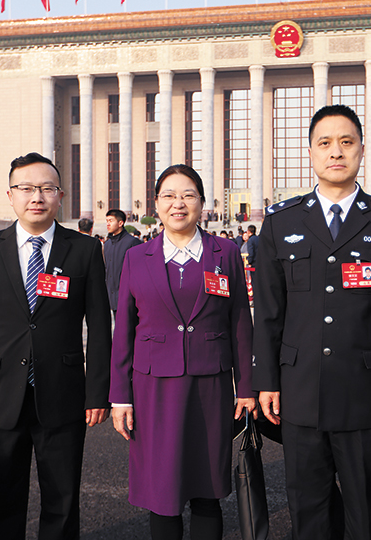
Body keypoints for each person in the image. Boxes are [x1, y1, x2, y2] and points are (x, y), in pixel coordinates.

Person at [253, 105, 371, 540]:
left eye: (346, 142)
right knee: (307, 508)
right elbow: (269, 313)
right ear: (309, 152)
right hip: (300, 390)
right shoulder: (280, 221)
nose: (336, 152)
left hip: (367, 392)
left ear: (361, 150)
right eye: (325, 143)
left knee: (366, 511)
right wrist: (266, 381)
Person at [0, 152, 111, 540]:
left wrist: (97, 394)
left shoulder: (84, 250)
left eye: (46, 188)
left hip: (64, 393)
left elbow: (101, 327)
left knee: (63, 497)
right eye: (26, 188)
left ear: (60, 195)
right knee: (2, 498)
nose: (36, 196)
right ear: (10, 194)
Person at [110, 164, 255, 540]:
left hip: (211, 386)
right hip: (153, 388)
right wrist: (120, 398)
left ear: (203, 203)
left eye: (188, 195)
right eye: (169, 196)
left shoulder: (226, 252)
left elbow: (240, 322)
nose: (179, 204)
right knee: (163, 495)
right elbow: (124, 331)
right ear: (156, 204)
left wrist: (248, 388)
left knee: (208, 490)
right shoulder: (136, 258)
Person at [103, 209, 141, 314]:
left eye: (110, 220)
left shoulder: (132, 242)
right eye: (106, 221)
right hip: (112, 297)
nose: (107, 224)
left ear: (120, 223)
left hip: (129, 297)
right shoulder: (107, 244)